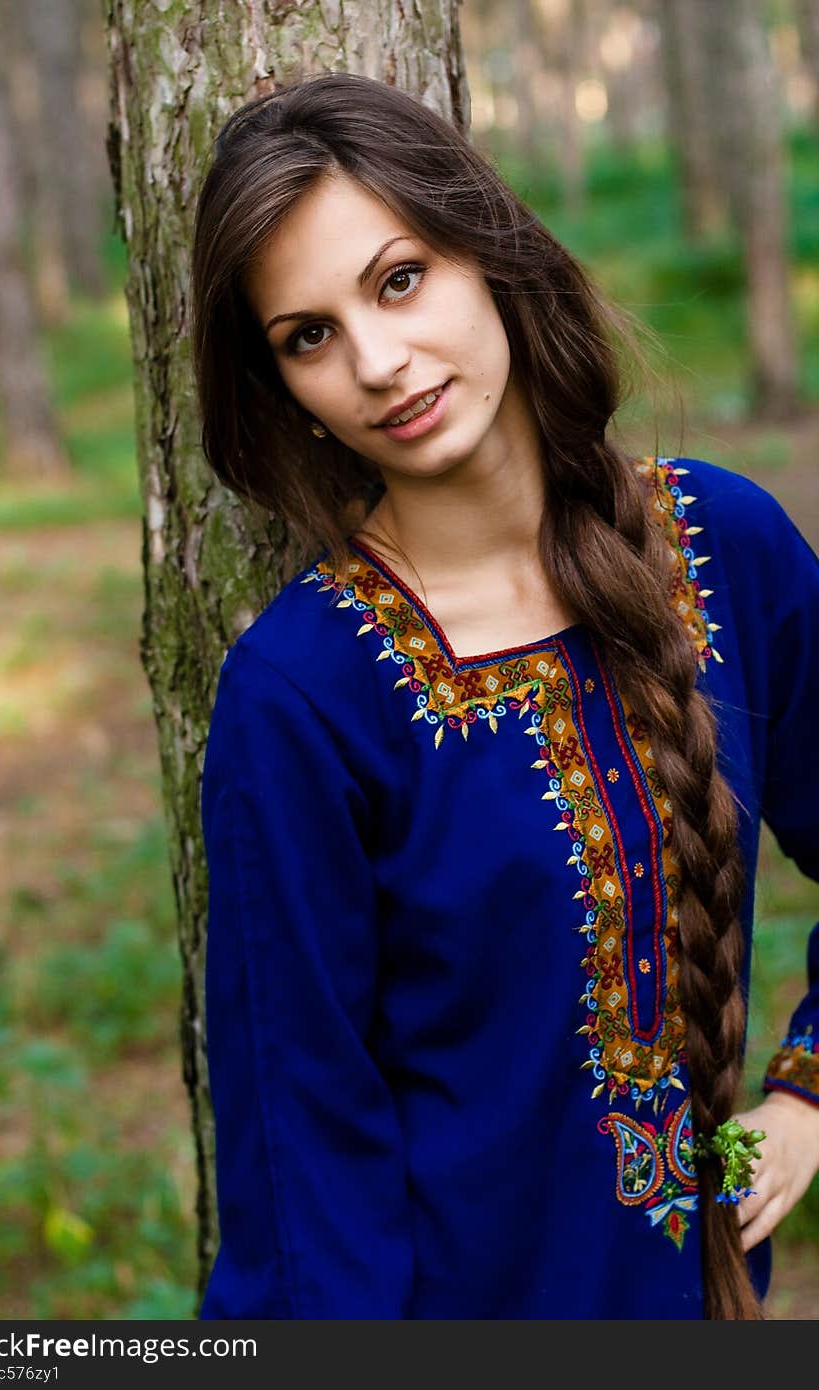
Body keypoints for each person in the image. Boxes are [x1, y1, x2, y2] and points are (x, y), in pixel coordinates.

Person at [189, 72, 819, 1320]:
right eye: (306, 335)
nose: (377, 362)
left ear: (491, 254)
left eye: (399, 278)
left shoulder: (724, 545)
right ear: (280, 390)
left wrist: (801, 1095)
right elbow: (303, 1158)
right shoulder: (302, 697)